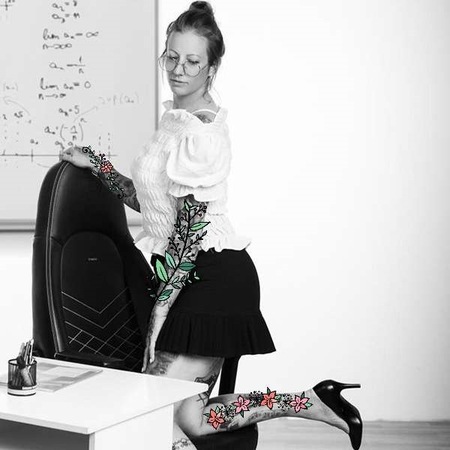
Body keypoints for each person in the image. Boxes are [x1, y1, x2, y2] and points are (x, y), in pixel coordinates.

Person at [61, 2, 363, 449]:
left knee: (156, 412)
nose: (178, 70)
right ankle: (314, 401)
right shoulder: (174, 120)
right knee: (190, 420)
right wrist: (100, 166)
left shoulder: (200, 135)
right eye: (171, 57)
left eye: (192, 61)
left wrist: (160, 314)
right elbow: (153, 204)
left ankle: (312, 402)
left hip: (211, 280)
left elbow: (189, 233)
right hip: (186, 276)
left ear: (211, 68)